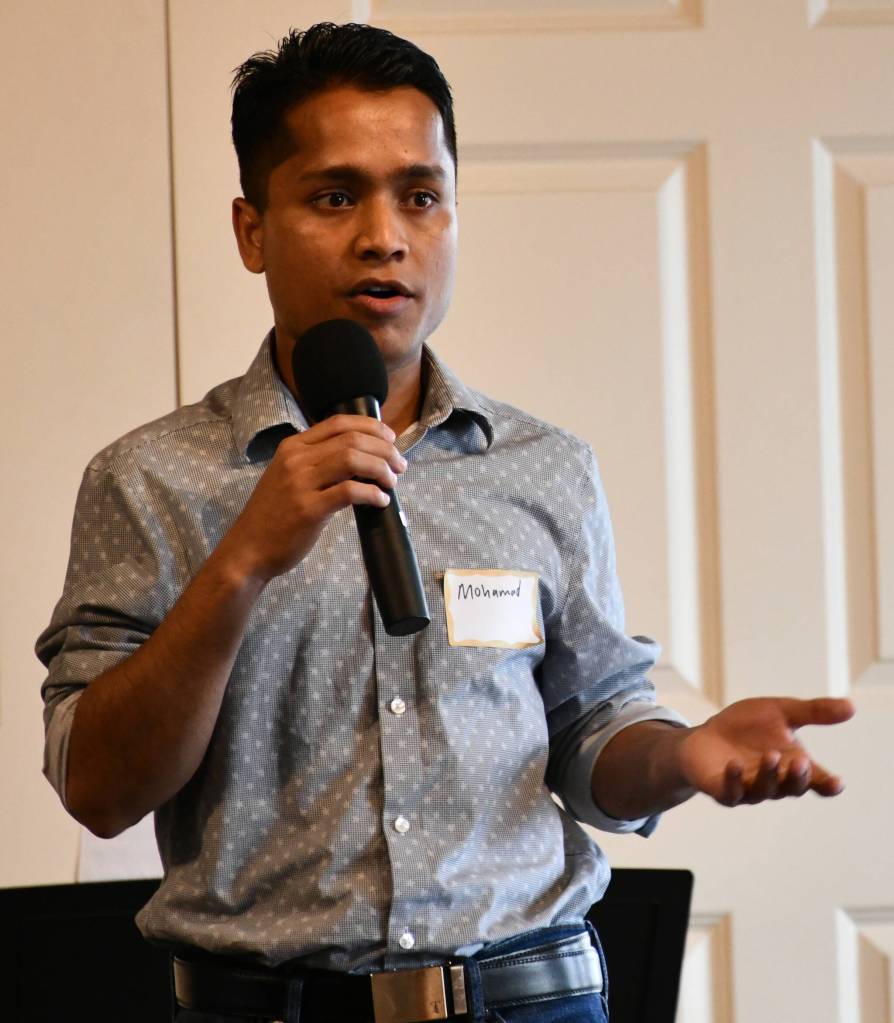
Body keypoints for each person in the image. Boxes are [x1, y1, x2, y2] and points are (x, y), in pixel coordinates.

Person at [37, 22, 854, 1023]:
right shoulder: (151, 479)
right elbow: (101, 787)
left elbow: (593, 733)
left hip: (534, 994)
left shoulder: (544, 467)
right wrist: (243, 562)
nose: (386, 236)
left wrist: (683, 756)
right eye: (336, 196)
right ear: (252, 230)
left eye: (420, 197)